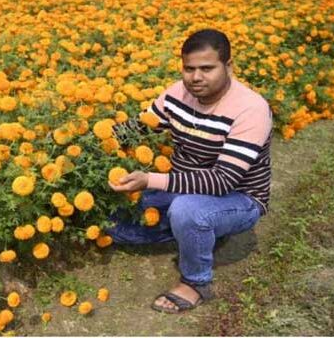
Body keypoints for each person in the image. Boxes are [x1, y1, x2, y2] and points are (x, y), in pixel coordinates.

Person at [108, 28, 272, 314]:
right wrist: (82, 139)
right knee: (110, 221)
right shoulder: (177, 93)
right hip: (183, 186)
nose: (196, 77)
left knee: (188, 211)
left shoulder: (251, 109)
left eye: (207, 68)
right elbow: (138, 128)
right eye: (189, 69)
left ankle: (196, 282)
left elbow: (222, 181)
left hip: (238, 198)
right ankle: (196, 234)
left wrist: (149, 180)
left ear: (228, 66)